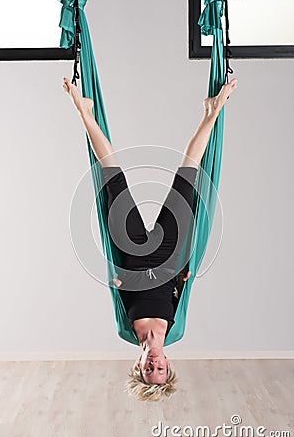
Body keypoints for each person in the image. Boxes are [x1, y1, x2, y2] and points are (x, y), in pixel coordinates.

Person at [63, 76, 237, 401]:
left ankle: (84, 111)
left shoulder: (125, 330)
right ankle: (211, 112)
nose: (154, 365)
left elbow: (118, 290)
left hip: (130, 252)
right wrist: (184, 278)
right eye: (160, 371)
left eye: (148, 370)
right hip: (170, 254)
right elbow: (182, 293)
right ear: (168, 365)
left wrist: (116, 280)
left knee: (112, 177)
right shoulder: (177, 330)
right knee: (188, 176)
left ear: (138, 365)